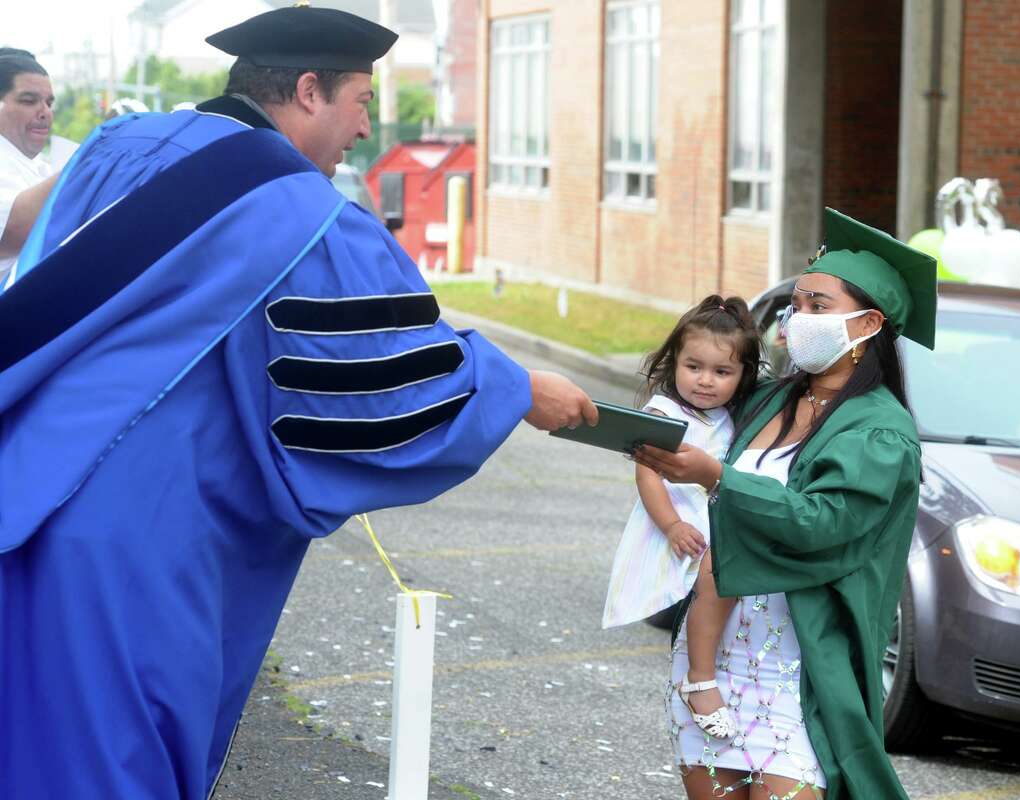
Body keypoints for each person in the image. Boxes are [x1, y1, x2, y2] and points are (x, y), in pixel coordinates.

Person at [0, 7, 595, 800]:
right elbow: (382, 381)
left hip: (24, 488)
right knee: (112, 767)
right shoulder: (305, 218)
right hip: (139, 542)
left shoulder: (117, 145)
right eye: (360, 100)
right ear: (310, 91)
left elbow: (26, 234)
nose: (366, 126)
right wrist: (516, 388)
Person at [636, 208, 936, 800]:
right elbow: (697, 388)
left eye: (817, 306)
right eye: (796, 305)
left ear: (867, 322)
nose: (797, 319)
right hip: (714, 657)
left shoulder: (880, 432)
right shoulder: (769, 400)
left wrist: (719, 477)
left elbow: (824, 524)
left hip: (800, 667)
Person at [602, 296, 759, 740]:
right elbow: (648, 474)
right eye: (694, 367)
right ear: (674, 363)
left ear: (743, 375)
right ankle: (699, 678)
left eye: (722, 372)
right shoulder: (664, 413)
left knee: (727, 599)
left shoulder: (732, 416)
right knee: (716, 582)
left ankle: (718, 673)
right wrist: (670, 525)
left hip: (715, 517)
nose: (705, 381)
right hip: (679, 520)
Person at [0, 49, 55, 283]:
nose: (45, 112)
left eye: (49, 102)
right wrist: (91, 163)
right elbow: (12, 232)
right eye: (29, 101)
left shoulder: (42, 166)